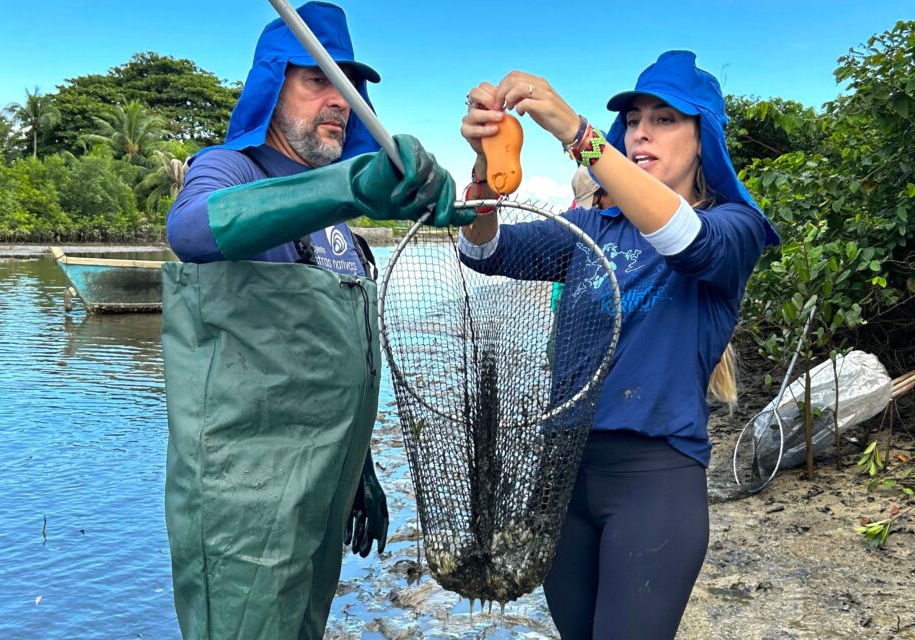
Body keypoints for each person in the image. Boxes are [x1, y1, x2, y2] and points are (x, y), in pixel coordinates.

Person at [161, 3, 473, 639]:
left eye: (349, 89)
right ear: (272, 88)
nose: (339, 101)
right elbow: (189, 230)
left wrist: (360, 469)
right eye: (317, 80)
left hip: (320, 490)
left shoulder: (341, 229)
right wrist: (347, 185)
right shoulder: (232, 168)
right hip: (243, 502)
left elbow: (334, 363)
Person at [458, 51, 779, 639]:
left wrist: (577, 135)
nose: (641, 133)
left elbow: (686, 240)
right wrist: (483, 169)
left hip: (654, 480)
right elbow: (484, 251)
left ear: (704, 139)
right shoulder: (591, 229)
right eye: (633, 121)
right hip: (561, 478)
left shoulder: (735, 227)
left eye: (664, 119)